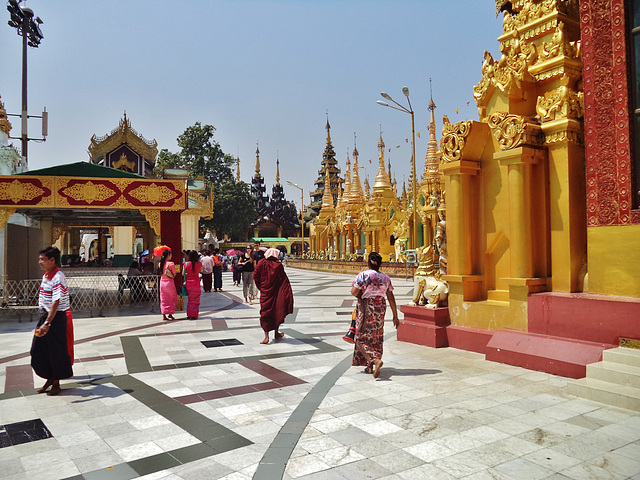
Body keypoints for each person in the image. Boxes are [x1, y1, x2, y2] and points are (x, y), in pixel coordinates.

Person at [31, 246, 73, 396]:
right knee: (38, 348)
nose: (40, 262)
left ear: (52, 260)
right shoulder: (46, 276)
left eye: (43, 259)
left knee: (56, 350)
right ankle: (49, 377)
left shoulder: (58, 276)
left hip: (55, 318)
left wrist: (48, 323)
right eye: (39, 259)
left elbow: (56, 301)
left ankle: (56, 382)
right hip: (45, 317)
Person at [350, 252, 399, 379]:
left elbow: (354, 291)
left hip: (367, 307)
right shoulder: (386, 278)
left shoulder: (364, 275)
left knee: (361, 337)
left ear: (368, 262)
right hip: (380, 307)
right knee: (375, 336)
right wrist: (395, 316)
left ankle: (375, 360)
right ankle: (370, 366)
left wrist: (361, 295)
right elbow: (391, 298)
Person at [253, 248, 294, 344]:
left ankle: (267, 336)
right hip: (276, 292)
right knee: (276, 311)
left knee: (265, 313)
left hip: (265, 292)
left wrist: (261, 287)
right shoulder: (278, 265)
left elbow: (255, 276)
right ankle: (276, 332)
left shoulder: (261, 263)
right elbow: (283, 280)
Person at [159, 248, 177, 321]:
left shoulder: (160, 263)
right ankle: (170, 313)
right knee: (172, 298)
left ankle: (164, 314)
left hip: (162, 282)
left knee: (163, 298)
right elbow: (174, 274)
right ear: (168, 255)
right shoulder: (171, 264)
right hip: (169, 283)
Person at [184, 250, 202, 319]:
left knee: (190, 299)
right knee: (196, 299)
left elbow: (183, 273)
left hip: (189, 283)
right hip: (196, 283)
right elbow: (201, 271)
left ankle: (189, 314)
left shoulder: (186, 264)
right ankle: (194, 314)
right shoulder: (199, 263)